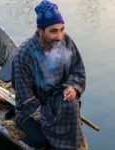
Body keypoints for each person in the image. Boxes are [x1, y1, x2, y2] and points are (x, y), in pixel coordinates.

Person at [11, 0, 87, 149]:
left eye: (62, 29)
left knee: (71, 106)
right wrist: (51, 120)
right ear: (40, 31)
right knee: (40, 140)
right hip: (33, 108)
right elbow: (25, 97)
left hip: (57, 98)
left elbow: (77, 70)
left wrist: (72, 87)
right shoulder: (23, 55)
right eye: (53, 31)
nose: (59, 36)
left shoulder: (66, 41)